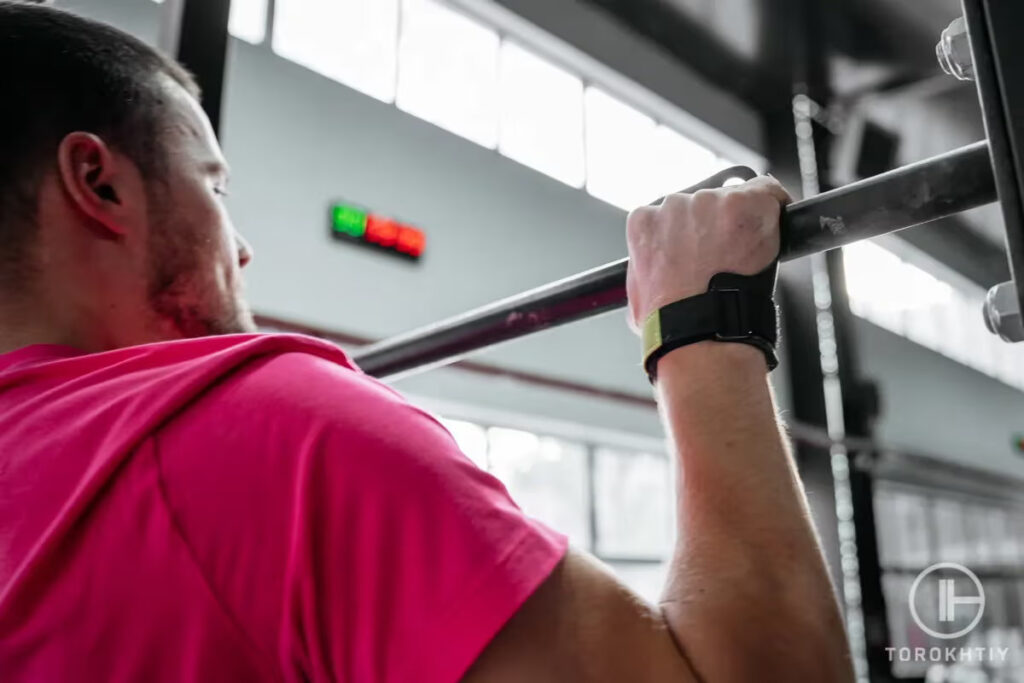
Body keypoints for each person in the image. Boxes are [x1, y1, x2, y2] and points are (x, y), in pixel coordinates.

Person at [0, 3, 853, 681]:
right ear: (99, 181)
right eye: (214, 186)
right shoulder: (277, 437)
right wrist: (703, 320)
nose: (242, 244)